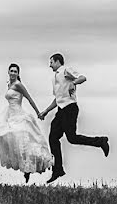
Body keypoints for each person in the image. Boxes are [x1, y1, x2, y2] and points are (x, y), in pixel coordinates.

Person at [38, 53, 109, 184]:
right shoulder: (54, 78)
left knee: (72, 138)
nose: (50, 65)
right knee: (53, 137)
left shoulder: (66, 70)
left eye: (51, 62)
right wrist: (46, 111)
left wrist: (74, 83)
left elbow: (83, 77)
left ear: (58, 61)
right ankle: (57, 170)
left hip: (70, 108)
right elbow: (58, 99)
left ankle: (101, 141)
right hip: (61, 110)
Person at [0, 63, 53, 183]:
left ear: (18, 74)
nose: (13, 73)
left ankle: (40, 163)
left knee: (25, 144)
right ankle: (25, 169)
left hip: (20, 117)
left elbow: (29, 98)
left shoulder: (18, 85)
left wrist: (38, 113)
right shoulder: (9, 84)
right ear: (8, 72)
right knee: (12, 143)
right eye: (11, 71)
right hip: (10, 116)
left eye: (15, 71)